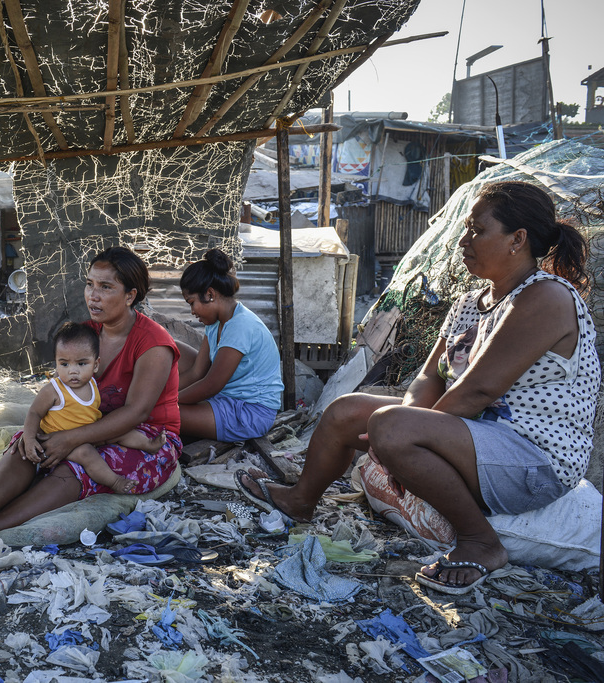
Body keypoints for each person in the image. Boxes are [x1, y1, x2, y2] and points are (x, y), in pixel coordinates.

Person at [236, 180, 600, 592]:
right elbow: (430, 376)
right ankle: (300, 500)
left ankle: (481, 542)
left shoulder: (546, 297)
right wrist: (405, 424)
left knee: (392, 426)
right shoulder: (470, 303)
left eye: (478, 230)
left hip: (532, 457)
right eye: (466, 229)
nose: (463, 241)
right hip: (474, 437)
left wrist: (402, 436)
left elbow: (479, 390)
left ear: (518, 239)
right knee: (345, 411)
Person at [0, 246, 183, 550]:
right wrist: (46, 435)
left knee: (81, 464)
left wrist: (70, 439)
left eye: (105, 287)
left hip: (145, 437)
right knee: (29, 443)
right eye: (90, 284)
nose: (93, 296)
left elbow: (136, 412)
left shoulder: (153, 344)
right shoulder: (86, 336)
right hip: (90, 422)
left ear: (130, 295)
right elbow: (63, 392)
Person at [24, 322, 168, 494]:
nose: (73, 371)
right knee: (86, 454)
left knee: (120, 432)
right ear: (56, 363)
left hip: (87, 433)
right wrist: (29, 438)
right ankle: (115, 481)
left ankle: (149, 444)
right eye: (64, 364)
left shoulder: (92, 384)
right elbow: (34, 413)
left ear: (96, 365)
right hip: (59, 439)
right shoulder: (54, 390)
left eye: (81, 364)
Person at [177, 248, 283, 441]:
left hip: (250, 412)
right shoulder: (214, 324)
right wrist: (165, 396)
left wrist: (166, 402)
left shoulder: (240, 325)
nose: (192, 311)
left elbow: (212, 385)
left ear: (210, 294)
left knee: (159, 414)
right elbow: (196, 372)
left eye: (191, 302)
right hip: (225, 399)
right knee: (171, 349)